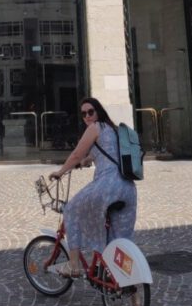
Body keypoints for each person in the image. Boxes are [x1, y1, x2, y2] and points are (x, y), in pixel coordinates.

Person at [49, 97, 136, 279]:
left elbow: (76, 154)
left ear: (98, 112)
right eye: (83, 114)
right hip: (128, 188)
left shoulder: (94, 128)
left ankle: (73, 265)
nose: (87, 116)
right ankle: (134, 293)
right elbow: (96, 155)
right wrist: (85, 162)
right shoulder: (112, 129)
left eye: (90, 112)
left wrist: (61, 171)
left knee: (71, 209)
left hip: (109, 186)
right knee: (119, 242)